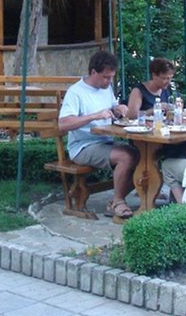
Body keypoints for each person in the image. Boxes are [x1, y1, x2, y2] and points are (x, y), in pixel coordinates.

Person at [58, 50, 139, 220]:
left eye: (111, 77)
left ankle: (119, 199)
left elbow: (112, 109)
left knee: (143, 156)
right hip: (83, 146)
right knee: (126, 157)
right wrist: (94, 116)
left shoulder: (106, 88)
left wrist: (118, 109)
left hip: (105, 141)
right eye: (106, 77)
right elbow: (63, 124)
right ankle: (118, 201)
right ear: (93, 72)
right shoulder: (76, 92)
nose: (109, 81)